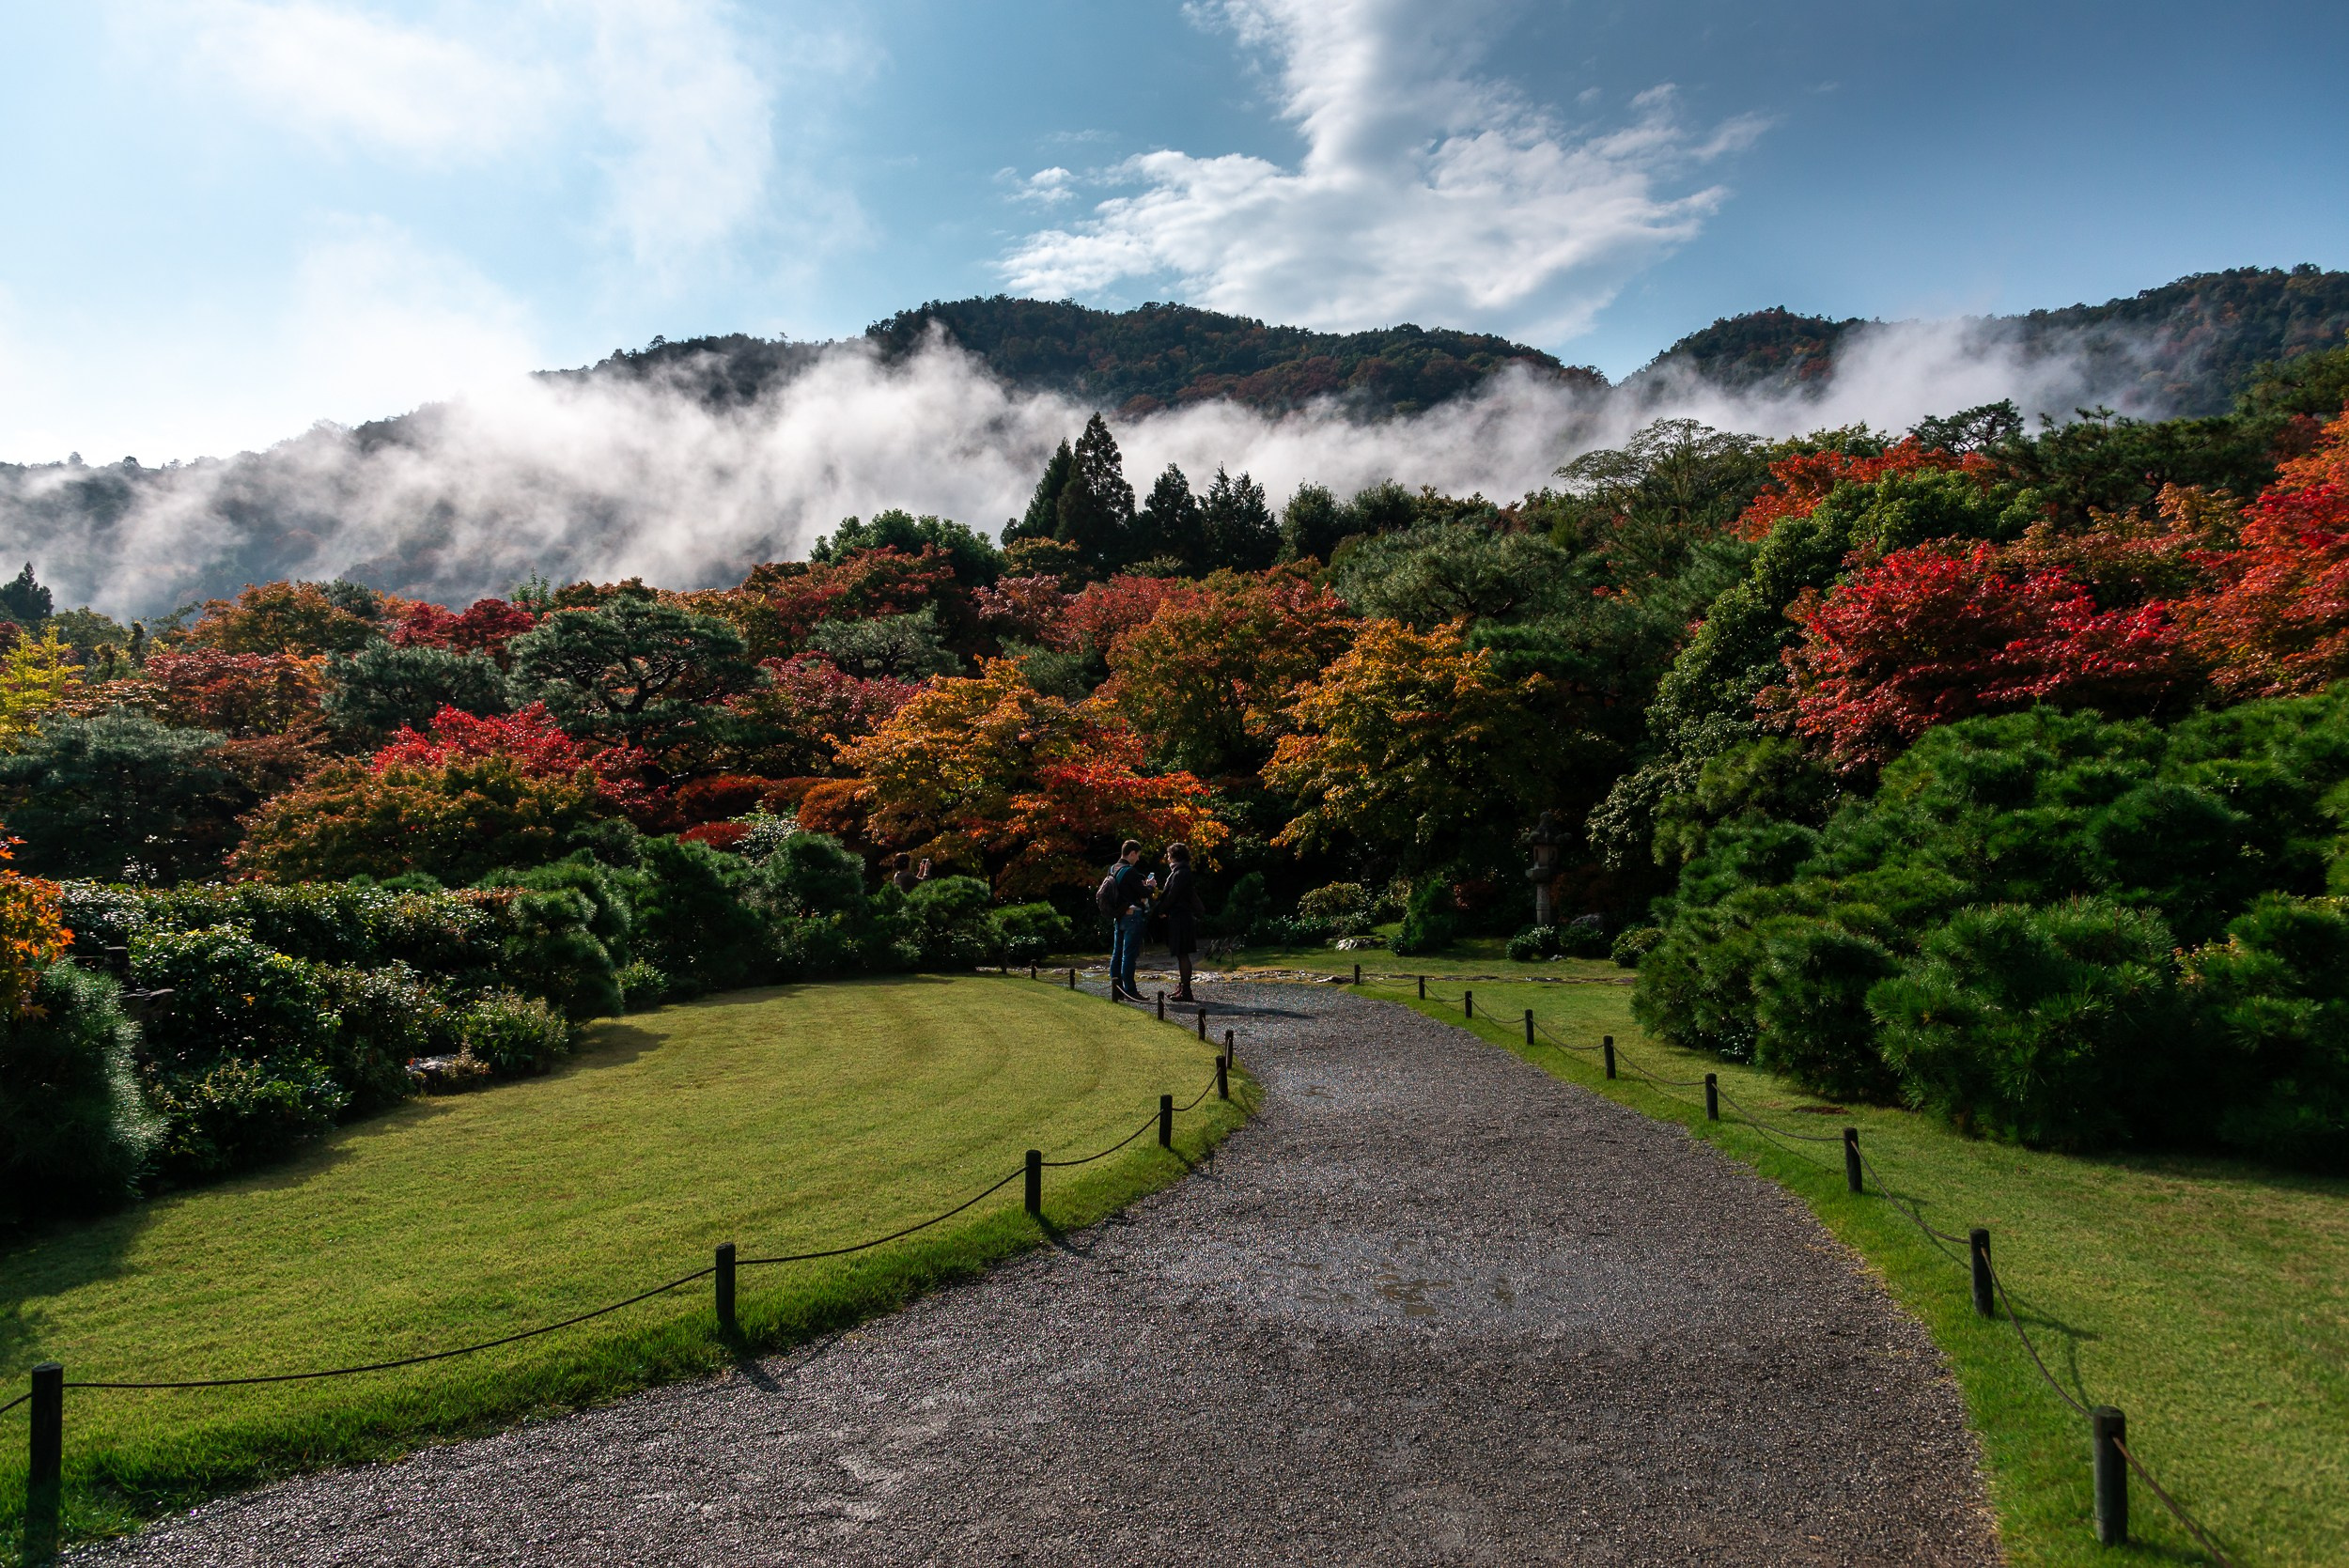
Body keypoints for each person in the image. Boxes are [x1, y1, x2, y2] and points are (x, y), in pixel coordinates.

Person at [1106, 839, 1155, 1001]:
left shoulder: (1113, 868)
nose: (1138, 859)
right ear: (1132, 853)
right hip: (1132, 916)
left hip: (1119, 916)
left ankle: (1116, 988)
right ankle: (1130, 991)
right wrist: (1151, 886)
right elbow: (1144, 893)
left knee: (1117, 954)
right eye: (1138, 855)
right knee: (1129, 955)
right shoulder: (1130, 872)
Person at [1158, 842, 1205, 1002]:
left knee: (1182, 954)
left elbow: (1173, 895)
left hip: (1181, 917)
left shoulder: (1181, 873)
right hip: (1180, 916)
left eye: (1170, 855)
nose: (1168, 858)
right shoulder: (1181, 871)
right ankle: (1183, 987)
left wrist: (1161, 910)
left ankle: (1186, 990)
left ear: (1175, 856)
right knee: (1180, 954)